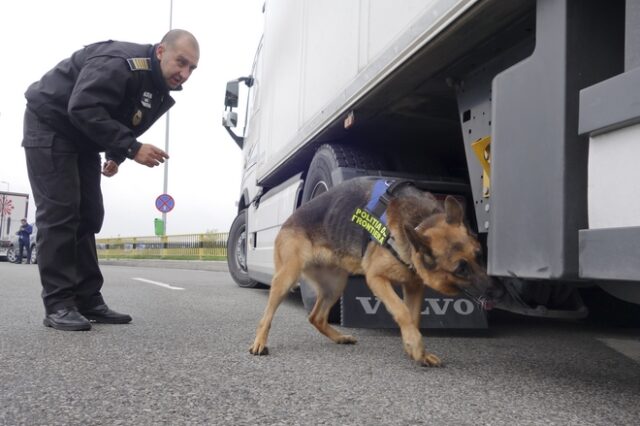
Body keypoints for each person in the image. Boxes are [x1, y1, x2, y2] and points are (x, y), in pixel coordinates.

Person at [22, 30, 200, 331]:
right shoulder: (121, 63)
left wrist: (116, 155)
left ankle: (88, 299)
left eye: (191, 69)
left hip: (83, 138)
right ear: (160, 52)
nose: (184, 73)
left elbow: (123, 117)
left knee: (89, 215)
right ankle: (59, 304)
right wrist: (132, 149)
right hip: (50, 125)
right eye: (180, 62)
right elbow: (82, 106)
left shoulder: (156, 86)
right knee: (61, 212)